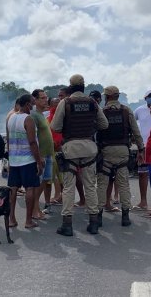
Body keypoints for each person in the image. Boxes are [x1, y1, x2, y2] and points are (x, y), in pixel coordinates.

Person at [50, 74, 108, 236]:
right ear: (83, 86)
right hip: (89, 148)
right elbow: (104, 124)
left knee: (68, 187)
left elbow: (55, 126)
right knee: (90, 185)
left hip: (70, 149)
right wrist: (90, 128)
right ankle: (94, 223)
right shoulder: (92, 103)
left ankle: (67, 225)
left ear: (70, 87)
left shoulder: (65, 102)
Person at [95, 86, 144, 227]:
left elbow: (95, 131)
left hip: (105, 151)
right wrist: (141, 148)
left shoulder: (102, 111)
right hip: (123, 150)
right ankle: (125, 216)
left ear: (107, 97)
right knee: (123, 184)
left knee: (102, 184)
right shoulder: (126, 110)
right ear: (117, 96)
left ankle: (98, 216)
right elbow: (136, 131)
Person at [7, 94, 44, 229]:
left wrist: (10, 159)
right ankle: (28, 221)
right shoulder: (28, 119)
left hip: (14, 159)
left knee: (13, 189)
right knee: (30, 188)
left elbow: (9, 140)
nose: (33, 107)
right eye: (32, 104)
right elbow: (33, 142)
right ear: (28, 104)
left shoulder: (11, 118)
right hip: (27, 159)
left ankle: (11, 219)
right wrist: (39, 161)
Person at [31, 89, 54, 218]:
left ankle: (36, 208)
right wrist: (38, 157)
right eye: (42, 98)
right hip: (42, 155)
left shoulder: (42, 114)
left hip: (48, 154)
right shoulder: (33, 115)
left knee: (45, 181)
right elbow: (33, 137)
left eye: (46, 97)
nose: (46, 100)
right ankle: (35, 209)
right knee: (38, 183)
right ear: (35, 100)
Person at [47, 97, 63, 205]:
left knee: (61, 175)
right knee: (56, 175)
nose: (57, 104)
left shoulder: (63, 116)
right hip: (52, 149)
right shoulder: (48, 118)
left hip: (62, 149)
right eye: (55, 103)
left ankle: (60, 195)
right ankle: (59, 195)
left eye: (59, 103)